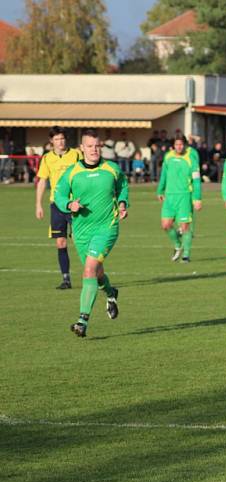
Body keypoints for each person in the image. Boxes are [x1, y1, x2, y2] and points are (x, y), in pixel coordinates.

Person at [53, 129, 128, 337]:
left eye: (97, 146)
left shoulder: (112, 168)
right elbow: (58, 194)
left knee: (89, 270)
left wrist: (122, 203)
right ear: (82, 148)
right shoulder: (72, 172)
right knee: (97, 272)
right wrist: (69, 204)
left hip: (107, 227)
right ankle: (111, 293)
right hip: (81, 230)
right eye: (90, 146)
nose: (94, 150)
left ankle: (82, 321)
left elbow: (122, 186)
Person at [34, 126, 82, 289]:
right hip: (56, 205)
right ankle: (66, 279)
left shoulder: (76, 154)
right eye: (56, 139)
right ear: (51, 141)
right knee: (60, 243)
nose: (60, 142)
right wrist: (38, 205)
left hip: (75, 204)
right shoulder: (47, 158)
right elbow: (42, 181)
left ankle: (91, 275)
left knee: (80, 241)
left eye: (62, 138)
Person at [157, 136, 201, 263]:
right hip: (169, 196)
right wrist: (160, 190)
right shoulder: (168, 157)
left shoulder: (191, 158)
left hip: (184, 196)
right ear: (173, 146)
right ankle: (177, 245)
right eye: (177, 144)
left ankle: (186, 255)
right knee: (166, 225)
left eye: (181, 144)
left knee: (185, 226)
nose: (179, 147)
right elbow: (164, 174)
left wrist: (197, 198)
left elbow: (196, 180)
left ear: (185, 145)